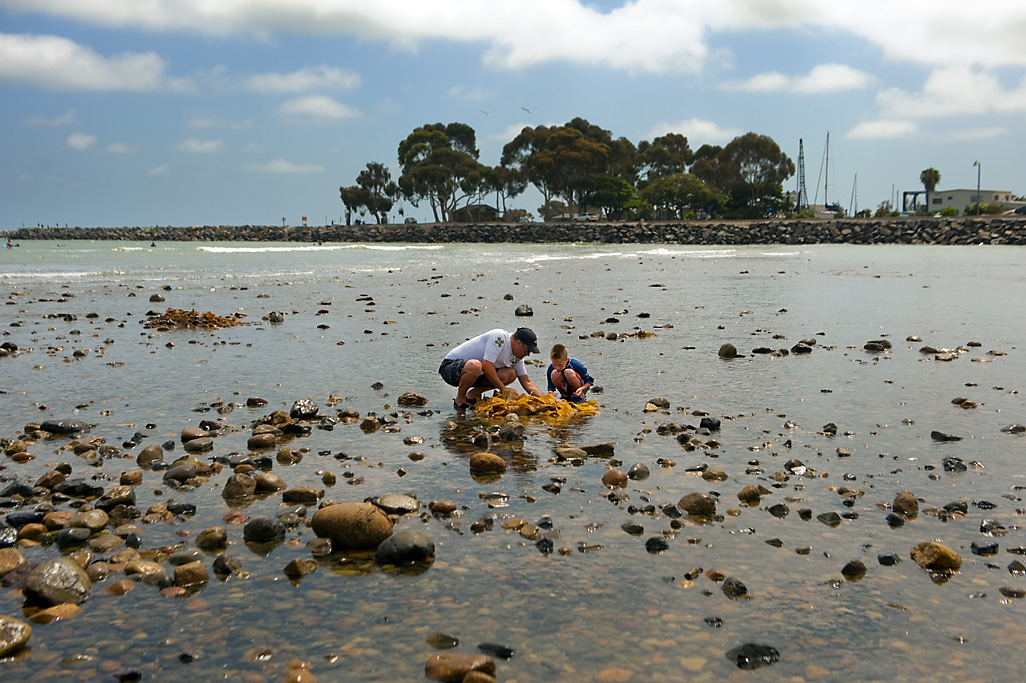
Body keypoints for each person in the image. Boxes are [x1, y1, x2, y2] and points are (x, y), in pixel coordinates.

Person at [439, 327, 544, 410]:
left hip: (476, 374)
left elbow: (526, 381)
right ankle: (460, 399)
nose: (528, 354)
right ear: (519, 343)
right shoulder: (499, 337)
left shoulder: (516, 356)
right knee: (476, 365)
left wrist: (545, 400)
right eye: (527, 350)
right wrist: (503, 389)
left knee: (510, 374)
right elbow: (486, 365)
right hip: (450, 368)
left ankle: (471, 395)